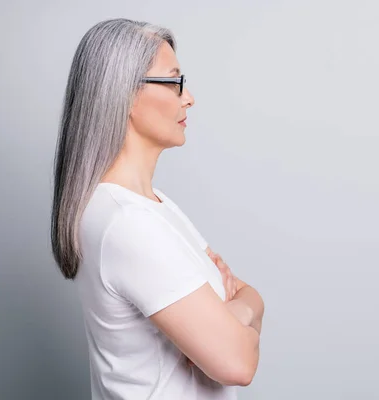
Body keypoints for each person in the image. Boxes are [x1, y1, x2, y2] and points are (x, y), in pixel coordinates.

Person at [50, 18, 264, 399]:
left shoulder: (155, 207)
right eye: (174, 81)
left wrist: (240, 310)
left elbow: (249, 299)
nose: (189, 97)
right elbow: (238, 363)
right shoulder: (127, 223)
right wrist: (239, 312)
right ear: (124, 96)